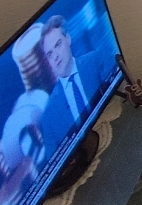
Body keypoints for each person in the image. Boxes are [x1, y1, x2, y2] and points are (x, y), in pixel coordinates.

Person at [38, 15, 107, 155]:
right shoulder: (49, 115)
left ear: (68, 38)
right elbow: (55, 159)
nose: (55, 56)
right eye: (50, 54)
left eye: (58, 45)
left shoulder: (94, 61)